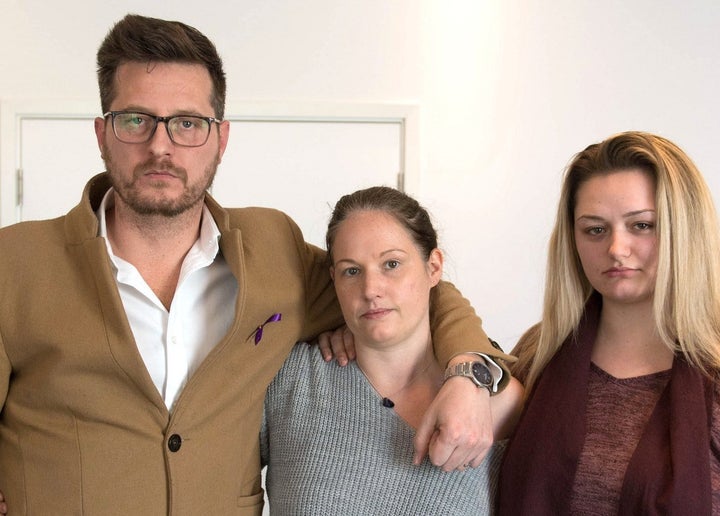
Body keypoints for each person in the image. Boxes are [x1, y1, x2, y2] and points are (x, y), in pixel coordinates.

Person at [0, 14, 515, 514]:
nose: (161, 146)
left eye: (187, 123)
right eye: (135, 120)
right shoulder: (15, 264)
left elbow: (401, 290)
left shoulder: (272, 249)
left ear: (221, 139)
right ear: (101, 133)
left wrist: (468, 374)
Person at [261, 186, 524, 514]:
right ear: (333, 280)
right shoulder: (290, 380)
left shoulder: (501, 405)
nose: (371, 290)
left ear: (434, 268)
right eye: (351, 271)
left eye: (391, 264)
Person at [498, 131, 720, 515]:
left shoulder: (712, 374)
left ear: (685, 230)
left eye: (642, 225)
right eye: (595, 230)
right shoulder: (538, 352)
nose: (616, 249)